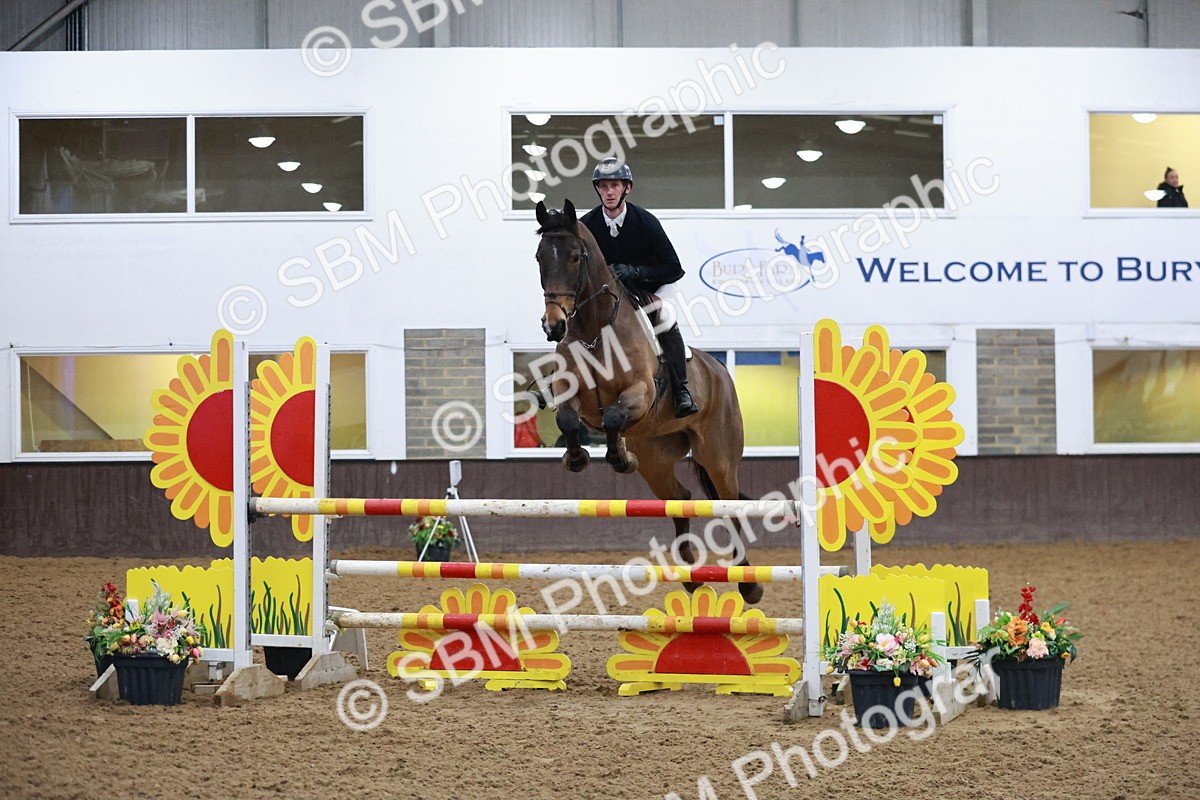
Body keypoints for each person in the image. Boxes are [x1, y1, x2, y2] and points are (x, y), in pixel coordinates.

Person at [580, 158, 698, 418]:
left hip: (651, 287)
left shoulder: (646, 222)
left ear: (626, 188)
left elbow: (674, 268)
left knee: (665, 318)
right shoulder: (588, 224)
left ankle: (681, 389)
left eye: (614, 185)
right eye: (603, 186)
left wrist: (635, 271)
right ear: (597, 189)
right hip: (610, 293)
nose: (609, 192)